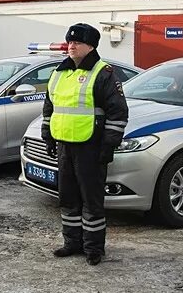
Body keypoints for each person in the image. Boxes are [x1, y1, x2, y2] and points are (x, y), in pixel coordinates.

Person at [40, 23, 129, 266]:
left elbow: (118, 113)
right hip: (65, 146)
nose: (71, 46)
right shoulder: (59, 73)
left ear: (91, 46)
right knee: (67, 198)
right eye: (69, 42)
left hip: (91, 147)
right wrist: (48, 136)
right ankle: (72, 243)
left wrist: (108, 145)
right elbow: (50, 108)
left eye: (77, 42)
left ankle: (93, 248)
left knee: (91, 201)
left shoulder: (103, 72)